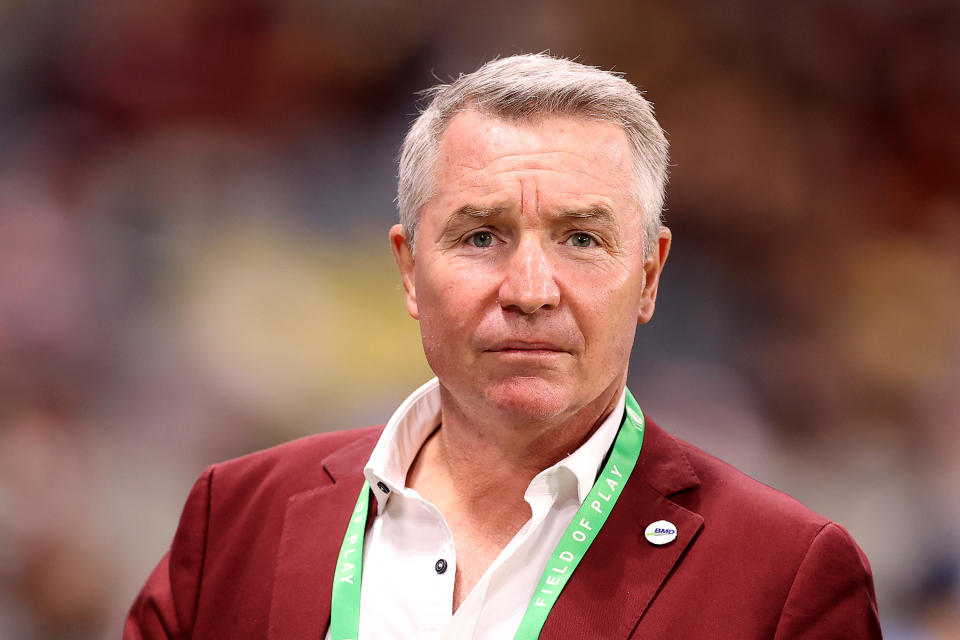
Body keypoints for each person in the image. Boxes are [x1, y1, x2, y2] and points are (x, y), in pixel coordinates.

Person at [125, 54, 882, 639]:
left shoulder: (784, 577)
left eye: (581, 238)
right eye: (481, 235)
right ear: (410, 270)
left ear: (648, 276)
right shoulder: (236, 517)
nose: (530, 289)